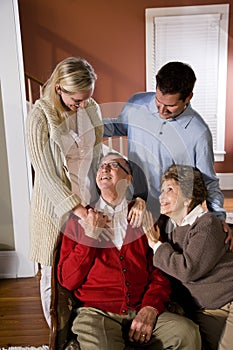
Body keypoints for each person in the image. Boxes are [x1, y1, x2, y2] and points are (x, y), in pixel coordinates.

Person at [26, 57, 145, 327]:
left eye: (86, 99)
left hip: (90, 200)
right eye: (76, 100)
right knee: (52, 277)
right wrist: (79, 211)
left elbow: (97, 151)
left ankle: (87, 328)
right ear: (59, 88)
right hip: (55, 208)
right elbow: (45, 174)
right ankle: (57, 337)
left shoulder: (90, 108)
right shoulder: (40, 116)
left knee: (86, 268)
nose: (82, 105)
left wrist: (124, 184)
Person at [57, 152, 201, 350]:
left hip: (140, 309)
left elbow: (161, 270)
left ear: (128, 179)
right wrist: (89, 237)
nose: (105, 169)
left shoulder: (146, 218)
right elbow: (67, 280)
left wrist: (150, 307)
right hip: (96, 313)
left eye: (114, 165)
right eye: (101, 166)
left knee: (187, 334)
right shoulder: (77, 221)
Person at [103, 61, 232, 248]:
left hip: (171, 213)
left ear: (188, 97)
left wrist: (220, 217)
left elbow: (208, 181)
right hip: (134, 200)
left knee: (170, 263)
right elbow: (118, 126)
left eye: (170, 106)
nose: (161, 111)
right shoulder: (137, 103)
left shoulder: (199, 133)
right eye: (158, 102)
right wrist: (88, 124)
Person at [144, 164, 233, 350]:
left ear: (189, 197)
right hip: (207, 309)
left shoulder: (206, 224)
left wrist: (156, 245)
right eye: (161, 190)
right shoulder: (170, 226)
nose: (162, 196)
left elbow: (187, 270)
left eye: (170, 190)